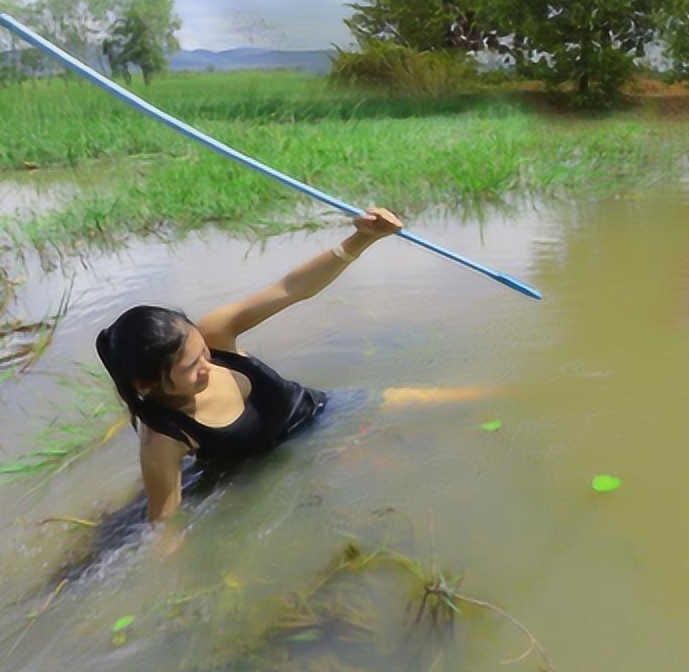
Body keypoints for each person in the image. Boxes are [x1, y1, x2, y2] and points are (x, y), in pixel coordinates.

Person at [95, 207, 489, 525]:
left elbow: (290, 289)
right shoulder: (162, 438)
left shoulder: (215, 333)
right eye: (191, 367)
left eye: (203, 352)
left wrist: (363, 238)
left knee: (462, 402)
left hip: (325, 411)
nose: (208, 364)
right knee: (398, 488)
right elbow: (164, 524)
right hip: (276, 470)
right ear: (146, 384)